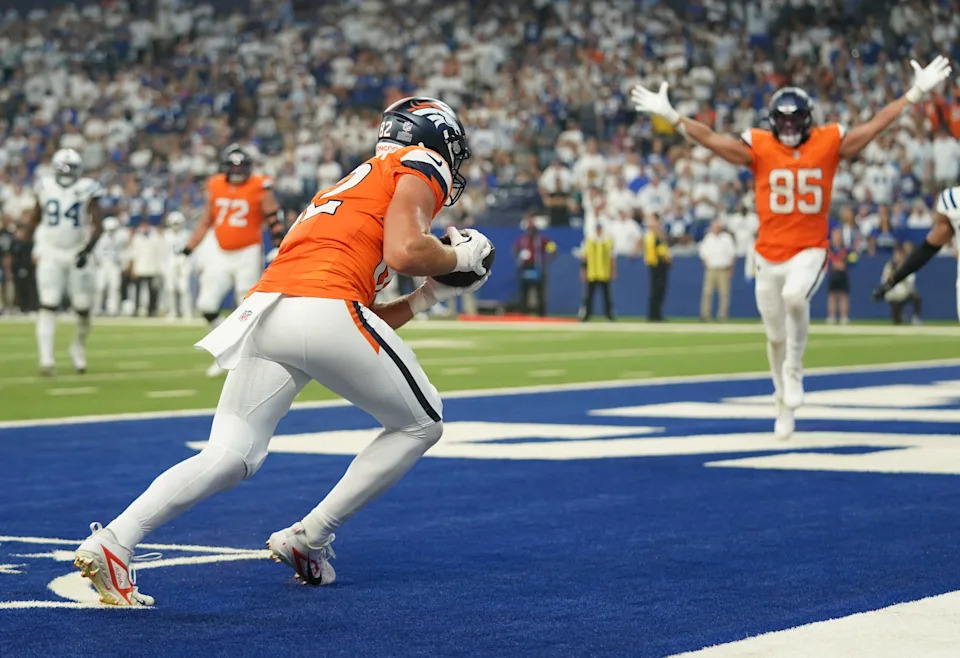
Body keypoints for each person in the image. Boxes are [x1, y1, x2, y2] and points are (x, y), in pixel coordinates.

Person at [73, 96, 493, 606]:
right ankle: (310, 536)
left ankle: (114, 541)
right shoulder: (418, 163)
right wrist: (458, 255)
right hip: (322, 306)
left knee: (229, 455)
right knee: (422, 422)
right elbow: (402, 255)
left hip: (270, 309)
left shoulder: (348, 187)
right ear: (436, 141)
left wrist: (428, 294)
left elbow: (353, 325)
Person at [632, 54, 951, 440]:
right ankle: (781, 401)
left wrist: (914, 93)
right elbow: (715, 141)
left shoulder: (827, 142)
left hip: (810, 249)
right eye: (780, 120)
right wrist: (675, 118)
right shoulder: (760, 146)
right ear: (772, 120)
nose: (786, 127)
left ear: (806, 120)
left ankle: (795, 373)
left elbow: (873, 128)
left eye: (792, 120)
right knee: (774, 337)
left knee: (795, 297)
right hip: (767, 252)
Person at [182, 144, 282, 377]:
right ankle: (229, 348)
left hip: (247, 251)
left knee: (244, 304)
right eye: (233, 167)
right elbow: (207, 219)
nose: (237, 172)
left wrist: (279, 244)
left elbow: (273, 216)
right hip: (220, 252)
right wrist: (190, 247)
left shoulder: (260, 185)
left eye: (241, 167)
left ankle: (248, 356)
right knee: (206, 305)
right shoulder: (215, 184)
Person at [24, 148, 104, 375]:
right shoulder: (44, 186)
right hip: (51, 250)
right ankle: (46, 359)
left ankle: (78, 347)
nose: (67, 174)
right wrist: (25, 242)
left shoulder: (87, 188)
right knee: (48, 304)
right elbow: (36, 217)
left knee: (83, 308)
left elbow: (98, 223)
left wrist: (87, 250)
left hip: (77, 250)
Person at [872, 184, 960, 321]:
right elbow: (927, 249)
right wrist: (894, 280)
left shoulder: (952, 199)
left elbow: (927, 249)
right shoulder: (953, 199)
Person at [513, 213, 556, 316]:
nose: (531, 231)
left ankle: (541, 314)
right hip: (526, 267)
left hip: (537, 267)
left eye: (533, 229)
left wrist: (546, 259)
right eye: (529, 229)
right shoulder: (523, 240)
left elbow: (553, 248)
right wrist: (520, 256)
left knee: (540, 293)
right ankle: (524, 313)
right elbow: (515, 249)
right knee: (524, 293)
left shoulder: (541, 240)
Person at [697, 219, 737, 321]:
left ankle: (722, 315)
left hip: (723, 269)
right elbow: (703, 254)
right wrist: (707, 266)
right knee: (707, 292)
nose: (716, 229)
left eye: (718, 227)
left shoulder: (727, 238)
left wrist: (731, 269)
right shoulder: (708, 238)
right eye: (715, 227)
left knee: (724, 293)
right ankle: (705, 315)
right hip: (711, 269)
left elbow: (732, 254)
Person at [579, 221, 615, 321]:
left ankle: (608, 314)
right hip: (592, 273)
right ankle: (586, 315)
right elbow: (584, 257)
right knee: (589, 296)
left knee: (606, 296)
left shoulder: (607, 241)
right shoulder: (589, 241)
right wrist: (583, 272)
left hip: (604, 272)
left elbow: (612, 257)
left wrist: (612, 271)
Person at [162, 211, 192, 319]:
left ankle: (187, 312)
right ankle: (172, 312)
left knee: (184, 288)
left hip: (183, 262)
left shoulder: (186, 234)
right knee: (170, 288)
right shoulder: (166, 235)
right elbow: (163, 252)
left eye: (177, 223)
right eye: (174, 223)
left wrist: (189, 263)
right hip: (170, 262)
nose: (176, 226)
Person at [881, 244, 922, 325]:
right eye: (896, 254)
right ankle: (900, 317)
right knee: (897, 322)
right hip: (894, 295)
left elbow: (911, 282)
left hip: (905, 293)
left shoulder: (908, 266)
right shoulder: (889, 266)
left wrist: (901, 275)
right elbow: (884, 281)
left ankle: (916, 318)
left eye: (900, 254)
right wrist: (891, 275)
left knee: (916, 297)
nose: (898, 256)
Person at [93, 217, 124, 316]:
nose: (112, 231)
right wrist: (100, 263)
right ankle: (96, 308)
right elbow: (96, 252)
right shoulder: (101, 238)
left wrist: (119, 263)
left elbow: (120, 252)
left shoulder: (119, 238)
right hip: (103, 265)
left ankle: (113, 309)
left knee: (114, 287)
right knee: (100, 287)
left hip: (114, 265)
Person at [642, 215, 671, 321]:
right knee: (657, 291)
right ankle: (654, 315)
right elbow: (661, 251)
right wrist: (668, 260)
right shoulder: (653, 237)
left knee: (657, 291)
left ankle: (655, 314)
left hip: (655, 265)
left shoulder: (650, 236)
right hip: (658, 265)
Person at [825, 227, 856, 325]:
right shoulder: (829, 250)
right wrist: (832, 266)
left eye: (839, 235)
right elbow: (825, 262)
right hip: (833, 275)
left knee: (843, 296)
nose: (837, 238)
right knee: (832, 296)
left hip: (843, 275)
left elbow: (853, 260)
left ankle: (844, 317)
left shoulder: (847, 250)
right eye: (835, 235)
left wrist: (845, 265)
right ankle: (832, 317)